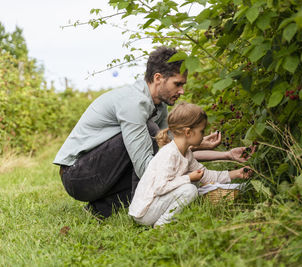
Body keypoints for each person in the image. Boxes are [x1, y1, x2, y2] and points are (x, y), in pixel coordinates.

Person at [53, 46, 252, 220]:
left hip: (99, 174)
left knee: (155, 142)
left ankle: (101, 209)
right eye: (178, 84)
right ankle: (139, 209)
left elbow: (174, 151)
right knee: (149, 135)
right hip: (77, 176)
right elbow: (149, 168)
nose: (182, 91)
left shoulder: (159, 106)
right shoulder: (134, 104)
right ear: (158, 78)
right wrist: (190, 180)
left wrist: (224, 154)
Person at [129, 102, 251, 227]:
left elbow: (206, 175)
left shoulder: (186, 153)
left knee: (193, 183)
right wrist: (188, 178)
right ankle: (162, 225)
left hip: (154, 206)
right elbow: (160, 187)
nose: (204, 135)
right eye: (202, 131)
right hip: (144, 212)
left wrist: (236, 173)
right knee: (190, 188)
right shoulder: (169, 154)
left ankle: (166, 219)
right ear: (188, 132)